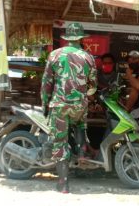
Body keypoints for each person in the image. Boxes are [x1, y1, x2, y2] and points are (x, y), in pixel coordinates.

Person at [41, 22, 97, 194]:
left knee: (60, 142)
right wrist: (82, 95)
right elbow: (93, 86)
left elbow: (46, 84)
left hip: (59, 105)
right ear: (80, 38)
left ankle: (63, 184)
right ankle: (81, 150)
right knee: (80, 124)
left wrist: (45, 104)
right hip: (79, 105)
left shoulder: (55, 55)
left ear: (66, 38)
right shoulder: (88, 57)